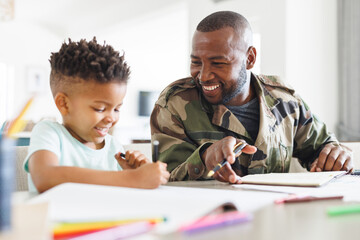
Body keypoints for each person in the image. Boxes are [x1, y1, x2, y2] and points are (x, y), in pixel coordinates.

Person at [150, 11, 353, 184]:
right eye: (196, 62)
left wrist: (334, 155)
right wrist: (203, 157)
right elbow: (163, 179)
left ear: (250, 58)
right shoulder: (174, 104)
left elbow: (322, 147)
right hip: (208, 223)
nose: (203, 75)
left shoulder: (284, 100)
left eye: (218, 63)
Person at [24, 38, 169, 193]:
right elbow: (45, 178)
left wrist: (134, 174)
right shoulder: (49, 132)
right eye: (100, 109)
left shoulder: (114, 148)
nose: (111, 118)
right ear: (64, 104)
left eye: (117, 109)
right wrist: (133, 179)